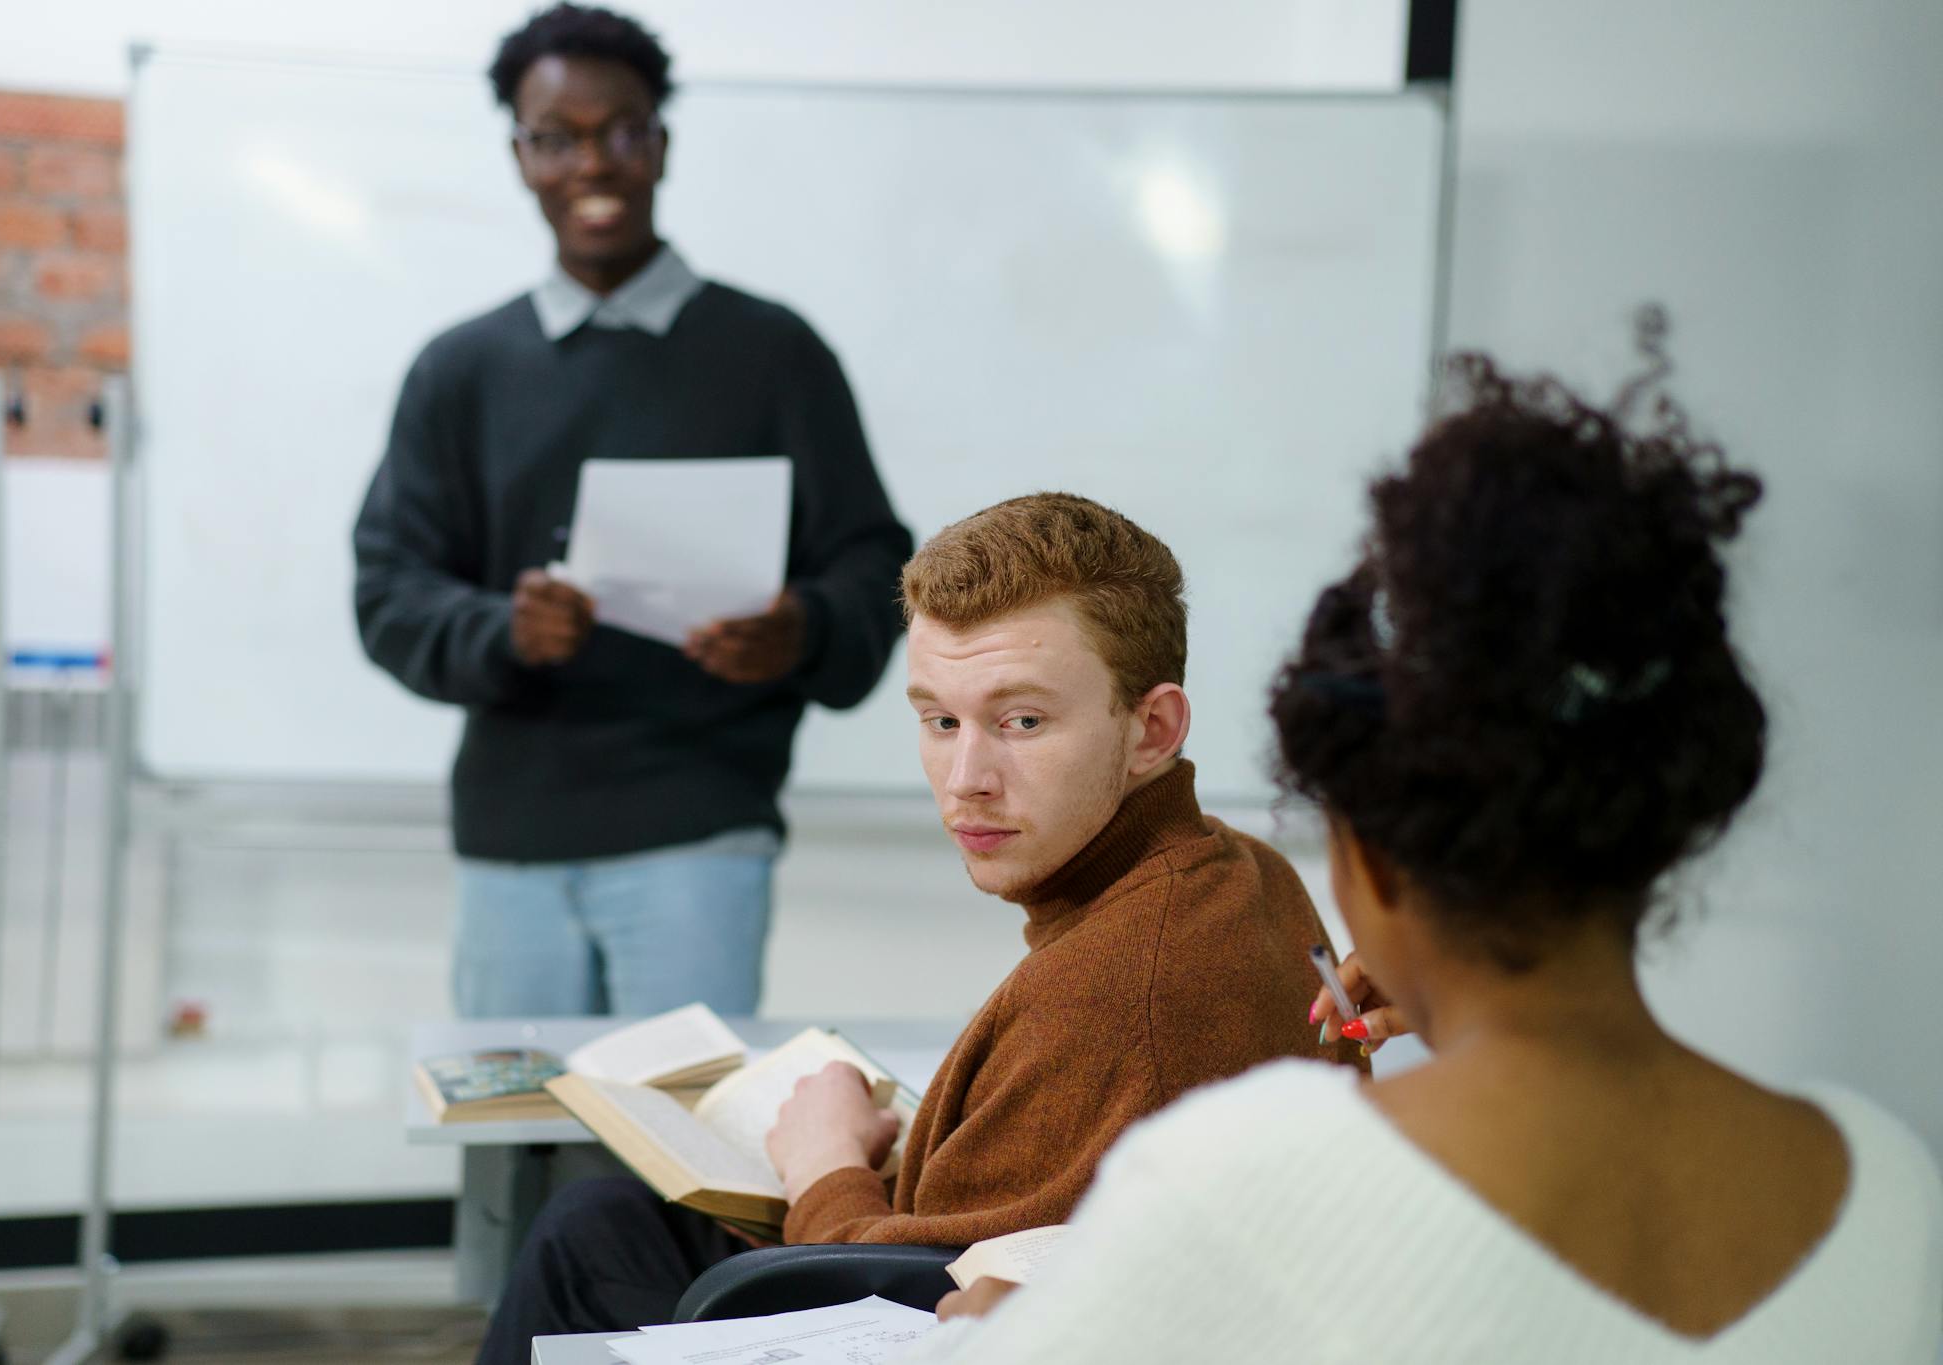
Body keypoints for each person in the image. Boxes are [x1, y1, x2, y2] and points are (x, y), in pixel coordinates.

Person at [900, 346, 1943, 1361]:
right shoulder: (1892, 1187)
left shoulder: (1233, 1176)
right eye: (939, 723)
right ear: (1665, 819)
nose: (967, 772)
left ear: (1374, 849)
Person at [470, 493, 1363, 1363]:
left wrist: (824, 1161)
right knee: (612, 1217)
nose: (966, 776)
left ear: (1151, 728)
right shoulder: (1243, 866)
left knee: (585, 1240)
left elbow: (894, 1305)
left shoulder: (1118, 986)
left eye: (1022, 720)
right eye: (939, 719)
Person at [352, 5, 911, 1020]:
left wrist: (800, 631)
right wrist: (500, 628)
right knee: (516, 1154)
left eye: (621, 132)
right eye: (554, 139)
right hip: (510, 844)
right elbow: (387, 594)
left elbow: (875, 567)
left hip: (700, 832)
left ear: (660, 143)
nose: (590, 165)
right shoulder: (459, 370)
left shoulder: (774, 353)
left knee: (688, 1151)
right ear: (520, 155)